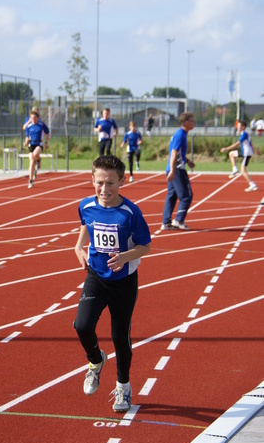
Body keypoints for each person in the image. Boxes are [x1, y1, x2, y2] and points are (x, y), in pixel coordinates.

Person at [74, 154, 151, 412]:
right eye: (99, 183)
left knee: (120, 337)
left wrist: (124, 257)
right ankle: (96, 361)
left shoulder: (130, 212)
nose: (104, 189)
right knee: (82, 325)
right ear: (92, 180)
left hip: (123, 281)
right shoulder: (86, 205)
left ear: (122, 181)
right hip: (96, 276)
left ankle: (123, 386)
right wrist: (78, 247)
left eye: (110, 183)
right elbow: (86, 224)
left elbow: (145, 246)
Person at [161, 112, 195, 231]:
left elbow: (178, 153)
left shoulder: (181, 134)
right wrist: (172, 170)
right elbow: (174, 152)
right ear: (186, 123)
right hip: (177, 170)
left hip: (174, 168)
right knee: (186, 196)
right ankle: (179, 220)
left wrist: (188, 161)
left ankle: (166, 222)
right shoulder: (180, 135)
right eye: (191, 121)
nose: (193, 123)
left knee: (172, 195)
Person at [220, 120, 258, 192]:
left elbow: (237, 144)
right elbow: (251, 144)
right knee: (231, 154)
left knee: (243, 170)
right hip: (245, 152)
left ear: (243, 127)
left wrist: (226, 148)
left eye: (239, 126)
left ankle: (252, 185)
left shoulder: (244, 134)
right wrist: (256, 151)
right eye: (237, 126)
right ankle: (235, 170)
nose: (237, 127)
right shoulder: (245, 134)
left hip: (247, 154)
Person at [23, 108, 50, 188]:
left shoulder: (41, 125)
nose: (33, 120)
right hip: (31, 144)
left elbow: (47, 134)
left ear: (38, 117)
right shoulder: (29, 126)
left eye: (34, 118)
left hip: (39, 143)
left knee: (35, 154)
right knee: (31, 160)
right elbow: (27, 137)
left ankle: (38, 160)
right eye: (31, 118)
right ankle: (31, 180)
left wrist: (46, 143)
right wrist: (26, 142)